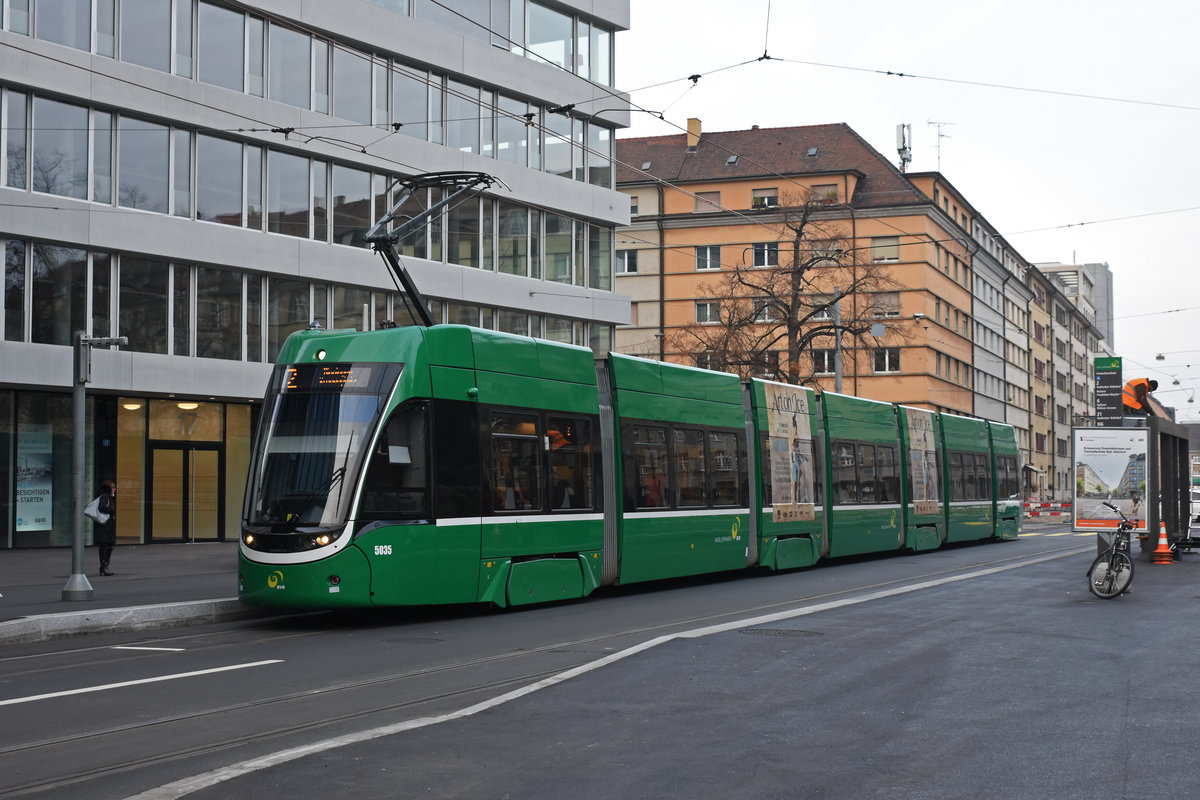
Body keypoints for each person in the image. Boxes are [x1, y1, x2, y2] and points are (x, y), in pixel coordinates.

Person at [94, 480, 116, 576]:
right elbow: (102, 507)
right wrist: (111, 510)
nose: (114, 490)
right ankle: (104, 566)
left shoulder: (107, 497)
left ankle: (105, 565)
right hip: (104, 526)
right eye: (113, 488)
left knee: (109, 546)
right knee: (105, 546)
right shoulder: (104, 497)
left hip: (107, 525)